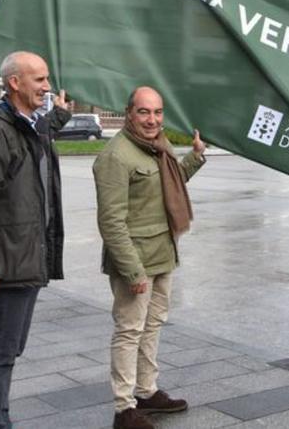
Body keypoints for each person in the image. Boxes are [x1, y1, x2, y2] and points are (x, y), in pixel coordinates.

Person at [0, 51, 70, 429]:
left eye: (47, 78)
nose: (47, 86)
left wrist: (60, 116)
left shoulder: (27, 124)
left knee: (11, 348)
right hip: (7, 261)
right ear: (14, 83)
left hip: (28, 256)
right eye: (38, 79)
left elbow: (37, 137)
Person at [93, 87, 206, 429]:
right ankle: (124, 408)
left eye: (157, 113)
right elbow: (111, 222)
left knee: (152, 326)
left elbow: (171, 184)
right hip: (136, 263)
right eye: (144, 112)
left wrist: (195, 157)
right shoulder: (116, 156)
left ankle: (146, 391)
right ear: (129, 113)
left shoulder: (158, 147)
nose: (152, 119)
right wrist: (133, 272)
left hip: (163, 255)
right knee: (129, 330)